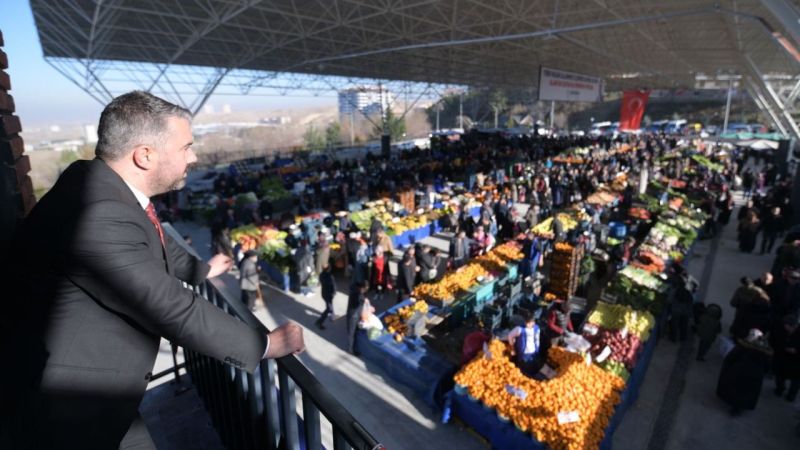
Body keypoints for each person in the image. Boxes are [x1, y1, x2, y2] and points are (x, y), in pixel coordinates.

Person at [0, 91, 304, 449]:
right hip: (63, 412)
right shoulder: (98, 214)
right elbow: (171, 306)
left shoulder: (101, 183)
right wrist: (264, 343)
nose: (194, 156)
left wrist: (201, 269)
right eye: (186, 147)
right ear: (145, 155)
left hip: (100, 394)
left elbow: (151, 240)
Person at [716, 329, 773, 416]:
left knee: (736, 388)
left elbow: (732, 356)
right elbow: (767, 365)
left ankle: (733, 405)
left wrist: (728, 364)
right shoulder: (765, 351)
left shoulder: (744, 346)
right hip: (755, 375)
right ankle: (738, 407)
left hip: (740, 370)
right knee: (747, 392)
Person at [771, 314, 800, 402]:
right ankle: (780, 389)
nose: (787, 329)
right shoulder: (781, 329)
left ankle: (791, 395)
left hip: (797, 360)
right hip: (782, 356)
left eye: (789, 327)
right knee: (779, 374)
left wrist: (796, 350)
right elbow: (774, 340)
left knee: (796, 379)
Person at [508, 312, 543, 378]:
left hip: (533, 353)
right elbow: (510, 336)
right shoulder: (519, 329)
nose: (527, 324)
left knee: (531, 368)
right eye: (526, 322)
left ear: (533, 322)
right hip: (523, 353)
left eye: (529, 323)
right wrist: (512, 347)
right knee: (523, 369)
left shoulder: (537, 329)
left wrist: (537, 350)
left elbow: (537, 340)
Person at [346, 281, 369, 355]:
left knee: (354, 332)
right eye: (366, 289)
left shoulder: (356, 290)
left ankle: (354, 347)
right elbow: (356, 303)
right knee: (351, 333)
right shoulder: (357, 294)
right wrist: (363, 300)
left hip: (355, 314)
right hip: (353, 315)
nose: (366, 291)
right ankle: (350, 350)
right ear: (362, 288)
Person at [315, 263, 336, 330]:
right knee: (328, 309)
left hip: (324, 294)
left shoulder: (321, 275)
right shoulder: (330, 276)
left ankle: (332, 316)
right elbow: (333, 286)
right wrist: (334, 292)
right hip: (329, 295)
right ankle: (319, 322)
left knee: (329, 305)